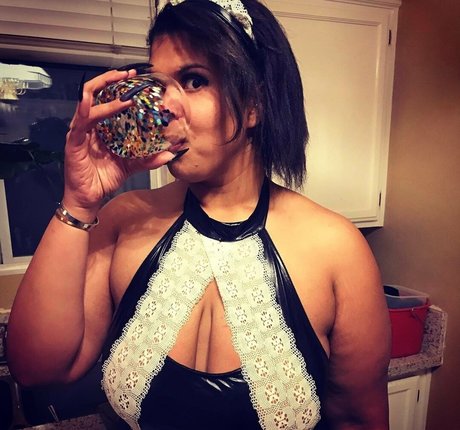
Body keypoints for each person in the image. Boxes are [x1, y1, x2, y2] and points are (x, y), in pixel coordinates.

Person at [6, 0, 391, 429]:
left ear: (254, 104)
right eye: (159, 84)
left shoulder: (336, 248)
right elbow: (36, 368)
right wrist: (79, 202)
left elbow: (358, 419)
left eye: (194, 80)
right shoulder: (124, 220)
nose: (164, 106)